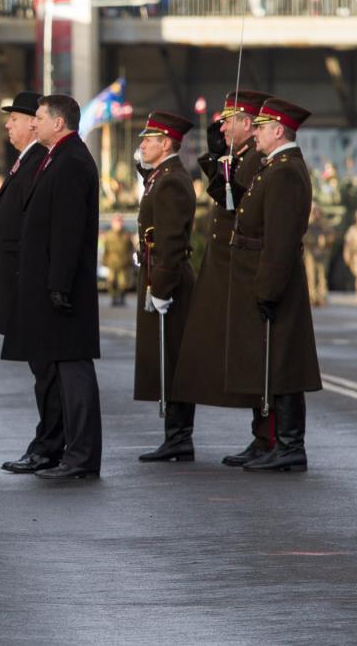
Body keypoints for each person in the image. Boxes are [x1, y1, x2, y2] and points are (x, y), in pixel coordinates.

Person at [0, 94, 102, 482]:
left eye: (39, 117)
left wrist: (58, 284)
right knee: (62, 377)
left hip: (65, 292)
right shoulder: (57, 157)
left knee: (75, 379)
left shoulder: (71, 161)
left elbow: (68, 229)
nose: (33, 123)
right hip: (54, 288)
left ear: (59, 123)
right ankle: (69, 453)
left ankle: (82, 458)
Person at [170, 90, 273, 467]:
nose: (223, 126)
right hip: (227, 267)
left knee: (257, 356)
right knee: (237, 355)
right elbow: (226, 197)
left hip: (242, 268)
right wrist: (215, 158)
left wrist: (218, 161)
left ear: (249, 124)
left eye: (230, 120)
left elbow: (236, 201)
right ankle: (262, 437)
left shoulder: (257, 161)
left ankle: (270, 438)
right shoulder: (243, 158)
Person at [224, 97, 321, 472]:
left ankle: (289, 445)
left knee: (283, 363)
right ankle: (275, 442)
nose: (257, 133)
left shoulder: (284, 171)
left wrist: (267, 290)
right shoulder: (275, 167)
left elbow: (279, 240)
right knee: (273, 362)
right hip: (264, 275)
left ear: (278, 130)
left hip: (275, 279)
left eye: (262, 127)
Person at [0, 91, 47, 472]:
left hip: (26, 279)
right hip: (19, 279)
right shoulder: (25, 161)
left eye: (14, 118)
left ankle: (49, 443)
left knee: (46, 371)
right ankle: (47, 439)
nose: (8, 125)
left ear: (34, 122)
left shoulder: (37, 161)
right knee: (41, 371)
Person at [131, 111, 197, 463]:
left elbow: (170, 241)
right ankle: (175, 435)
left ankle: (179, 436)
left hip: (167, 277)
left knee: (172, 358)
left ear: (167, 144)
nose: (142, 144)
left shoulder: (171, 181)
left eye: (149, 140)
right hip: (158, 273)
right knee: (166, 357)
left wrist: (162, 288)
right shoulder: (162, 177)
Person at [100, 215, 135, 307]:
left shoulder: (126, 234)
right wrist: (104, 261)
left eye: (120, 222)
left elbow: (131, 248)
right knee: (111, 282)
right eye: (116, 222)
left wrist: (131, 261)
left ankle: (122, 299)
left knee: (123, 283)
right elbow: (106, 249)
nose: (118, 224)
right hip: (112, 262)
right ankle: (114, 299)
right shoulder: (108, 235)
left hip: (124, 262)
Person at [304, 205, 334, 308]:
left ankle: (322, 298)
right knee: (311, 276)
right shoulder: (309, 224)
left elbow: (331, 237)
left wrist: (324, 241)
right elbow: (304, 237)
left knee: (322, 276)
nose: (317, 215)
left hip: (322, 254)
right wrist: (315, 242)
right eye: (315, 212)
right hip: (311, 253)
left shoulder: (325, 225)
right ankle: (312, 298)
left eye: (318, 213)